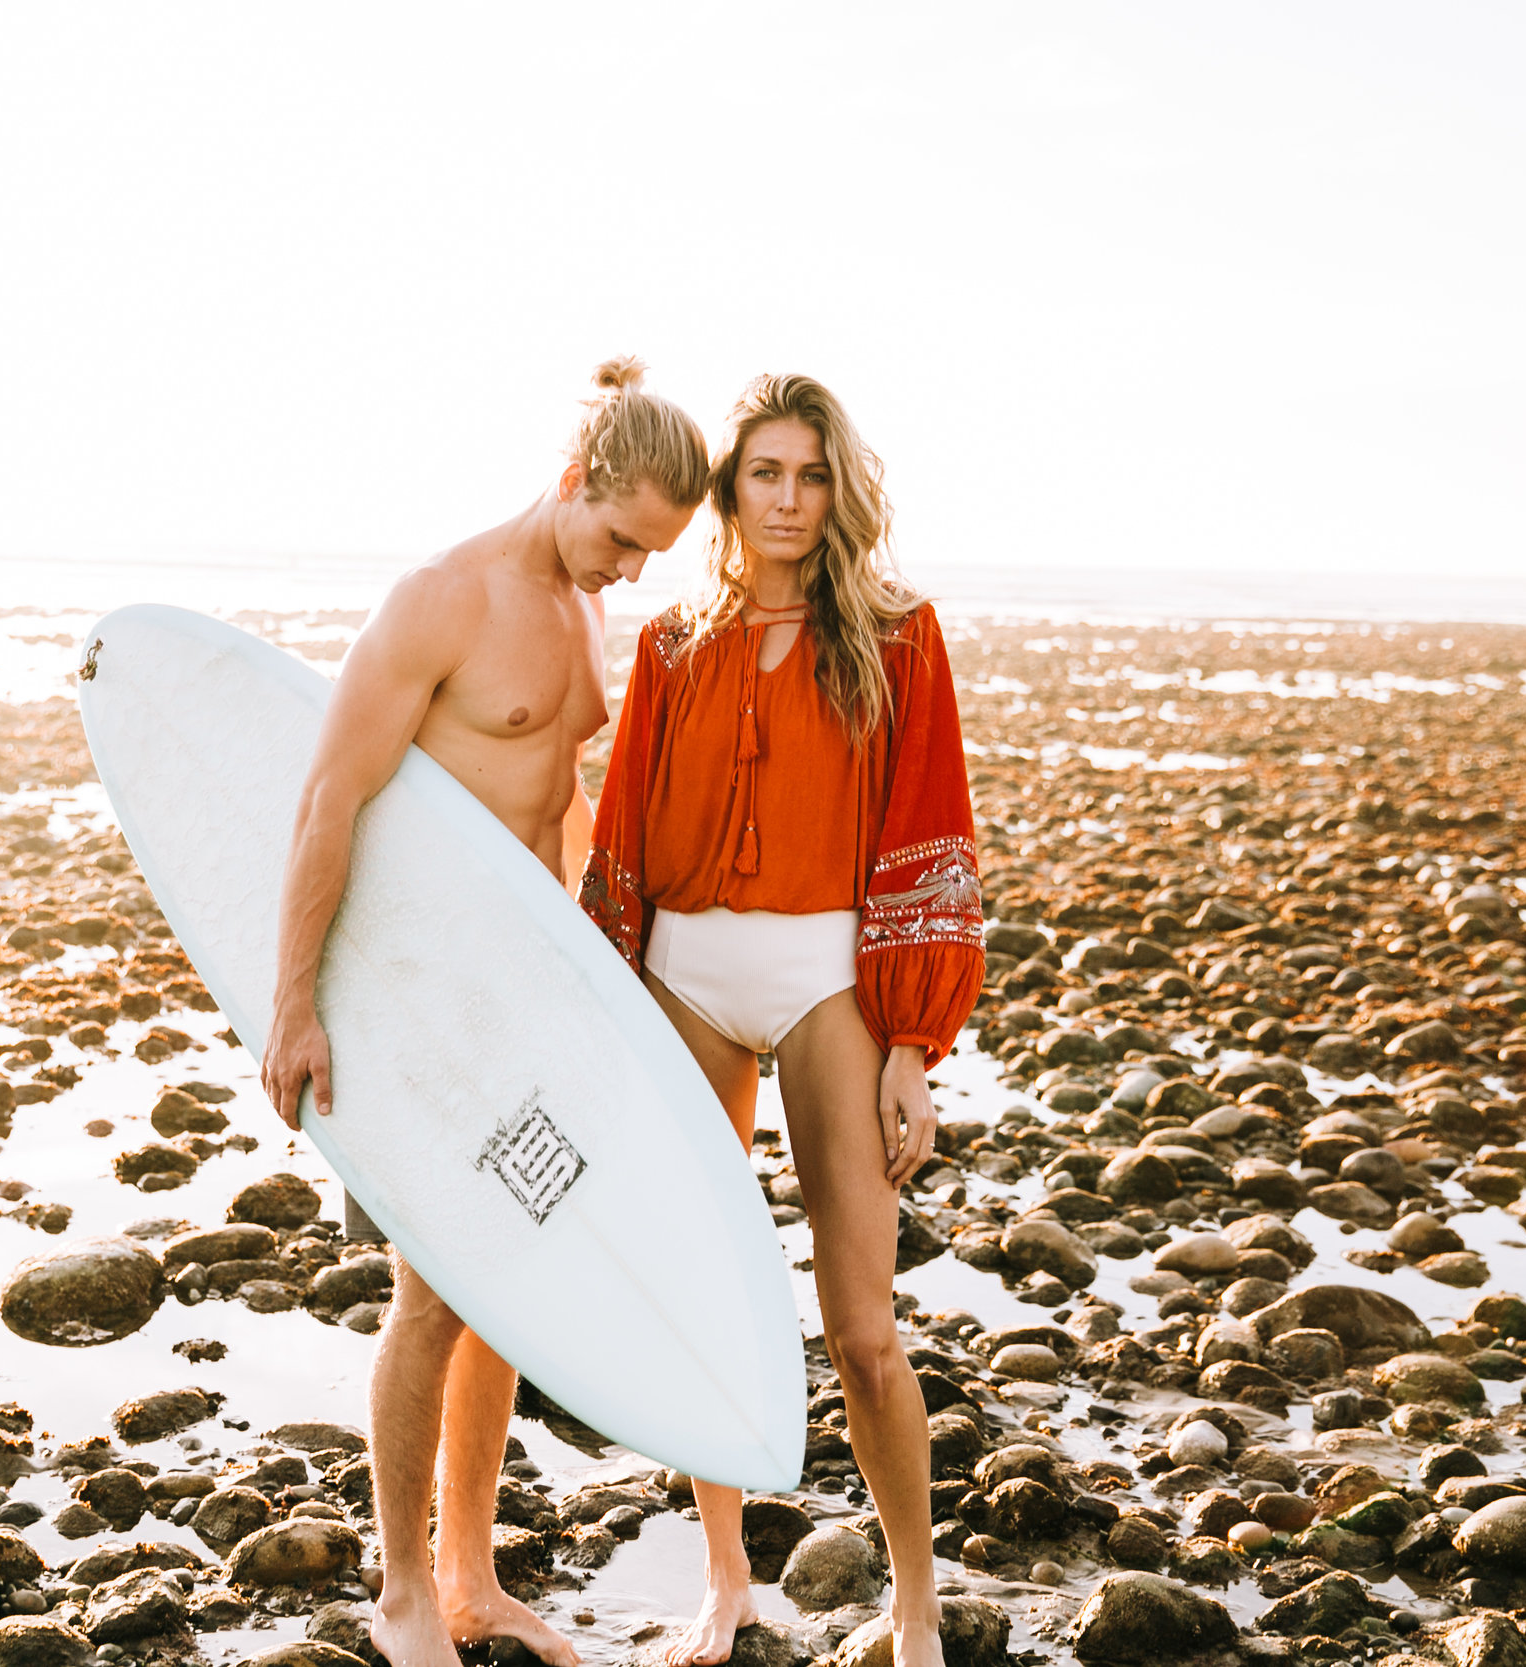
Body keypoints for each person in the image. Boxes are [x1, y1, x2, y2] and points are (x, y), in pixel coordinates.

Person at [261, 359, 712, 1667]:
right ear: (575, 483)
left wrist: (594, 970)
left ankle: (472, 1579)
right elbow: (325, 801)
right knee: (432, 1292)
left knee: (496, 1292)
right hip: (419, 999)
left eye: (655, 553)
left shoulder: (577, 611)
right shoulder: (442, 602)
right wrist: (295, 1006)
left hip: (521, 1001)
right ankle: (404, 1595)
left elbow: (553, 802)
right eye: (623, 537)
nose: (632, 569)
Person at [580, 374, 985, 1667]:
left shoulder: (900, 638)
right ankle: (725, 1579)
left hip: (830, 983)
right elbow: (623, 841)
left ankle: (913, 1608)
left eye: (812, 476)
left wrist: (911, 1048)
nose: (791, 500)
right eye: (767, 474)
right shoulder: (670, 649)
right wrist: (603, 1017)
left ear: (837, 489)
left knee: (864, 1329)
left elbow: (932, 825)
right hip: (683, 979)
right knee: (705, 1301)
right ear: (729, 489)